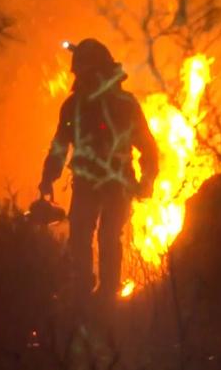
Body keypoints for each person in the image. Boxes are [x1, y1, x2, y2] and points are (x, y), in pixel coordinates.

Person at [39, 38, 159, 313]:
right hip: (90, 183)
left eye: (86, 72)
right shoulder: (76, 106)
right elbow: (59, 147)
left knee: (106, 237)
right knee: (83, 237)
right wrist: (48, 178)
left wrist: (147, 179)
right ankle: (86, 294)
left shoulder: (123, 105)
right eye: (81, 73)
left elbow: (148, 147)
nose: (83, 78)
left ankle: (105, 297)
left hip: (116, 183)